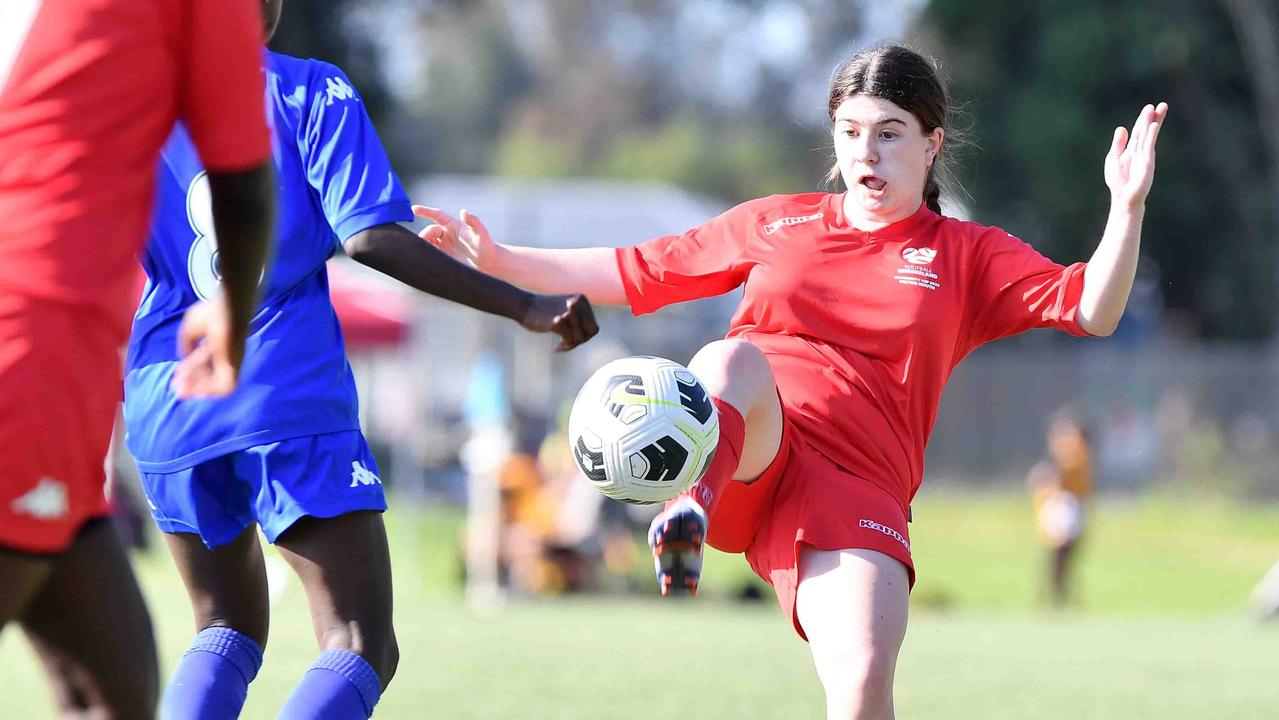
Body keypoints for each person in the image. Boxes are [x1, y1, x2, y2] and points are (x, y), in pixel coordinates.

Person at [417, 43, 1166, 719]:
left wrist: (1124, 211)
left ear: (931, 144)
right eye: (849, 131)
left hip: (860, 490)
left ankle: (698, 512)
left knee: (865, 681)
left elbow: (1091, 309)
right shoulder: (778, 223)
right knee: (732, 360)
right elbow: (634, 270)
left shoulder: (966, 255)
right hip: (748, 455)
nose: (865, 151)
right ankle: (686, 510)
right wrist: (498, 258)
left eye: (889, 132)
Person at [123, 2, 598, 718]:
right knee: (358, 640)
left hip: (166, 397)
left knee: (222, 627)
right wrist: (522, 305)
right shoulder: (308, 90)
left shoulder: (131, 110)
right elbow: (369, 237)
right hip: (280, 390)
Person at [0, 0, 275, 716]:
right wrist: (233, 318)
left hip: (54, 354)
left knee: (111, 682)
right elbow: (241, 184)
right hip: (30, 343)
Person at [1027, 412, 1094, 607]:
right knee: (1059, 559)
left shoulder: (1077, 453)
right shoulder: (1076, 452)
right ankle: (1058, 599)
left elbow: (1061, 478)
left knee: (1061, 558)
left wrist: (1044, 480)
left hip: (1069, 508)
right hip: (1068, 508)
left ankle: (1059, 599)